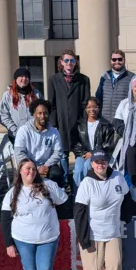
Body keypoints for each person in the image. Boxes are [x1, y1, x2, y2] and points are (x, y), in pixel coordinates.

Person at [1, 159, 68, 270]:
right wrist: (8, 243)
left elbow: (65, 201)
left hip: (48, 238)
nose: (31, 171)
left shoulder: (48, 185)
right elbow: (5, 219)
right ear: (20, 171)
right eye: (27, 169)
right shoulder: (13, 192)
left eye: (33, 169)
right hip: (23, 240)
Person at [74, 150, 132, 270]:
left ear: (108, 162)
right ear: (92, 164)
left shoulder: (118, 177)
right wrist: (83, 237)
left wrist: (125, 219)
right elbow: (79, 211)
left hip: (113, 231)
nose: (101, 164)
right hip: (93, 234)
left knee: (115, 265)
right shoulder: (87, 183)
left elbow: (126, 198)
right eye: (97, 161)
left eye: (103, 161)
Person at [49, 49, 91, 182]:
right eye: (66, 60)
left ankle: (79, 182)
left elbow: (86, 103)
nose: (69, 63)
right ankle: (64, 182)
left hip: (78, 125)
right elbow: (51, 103)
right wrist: (54, 123)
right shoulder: (53, 80)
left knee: (80, 153)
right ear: (61, 62)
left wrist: (85, 122)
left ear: (75, 62)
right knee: (62, 155)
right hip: (61, 125)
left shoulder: (84, 80)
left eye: (72, 60)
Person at [14, 99, 64, 187]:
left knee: (56, 174)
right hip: (28, 165)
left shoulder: (54, 132)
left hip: (47, 165)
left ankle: (55, 199)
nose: (43, 116)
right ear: (34, 114)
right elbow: (19, 153)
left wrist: (45, 166)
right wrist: (34, 168)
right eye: (39, 113)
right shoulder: (23, 130)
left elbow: (58, 152)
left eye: (45, 113)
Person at [71, 97, 116, 189]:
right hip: (83, 155)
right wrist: (83, 153)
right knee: (78, 171)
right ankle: (77, 196)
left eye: (95, 107)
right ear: (85, 109)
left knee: (88, 166)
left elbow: (107, 145)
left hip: (98, 155)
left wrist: (93, 153)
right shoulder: (79, 124)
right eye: (89, 107)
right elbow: (75, 142)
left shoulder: (106, 125)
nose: (92, 109)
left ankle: (89, 192)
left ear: (99, 108)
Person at [96, 50, 136, 122]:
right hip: (105, 122)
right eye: (114, 59)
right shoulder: (104, 77)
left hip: (123, 121)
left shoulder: (132, 78)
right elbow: (98, 98)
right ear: (111, 61)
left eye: (120, 59)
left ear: (124, 60)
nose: (117, 62)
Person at [0, 67, 42, 144]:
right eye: (21, 76)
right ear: (15, 79)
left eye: (26, 77)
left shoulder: (36, 94)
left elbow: (42, 112)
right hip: (15, 136)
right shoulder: (7, 95)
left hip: (34, 135)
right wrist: (15, 130)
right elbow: (3, 115)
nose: (24, 79)